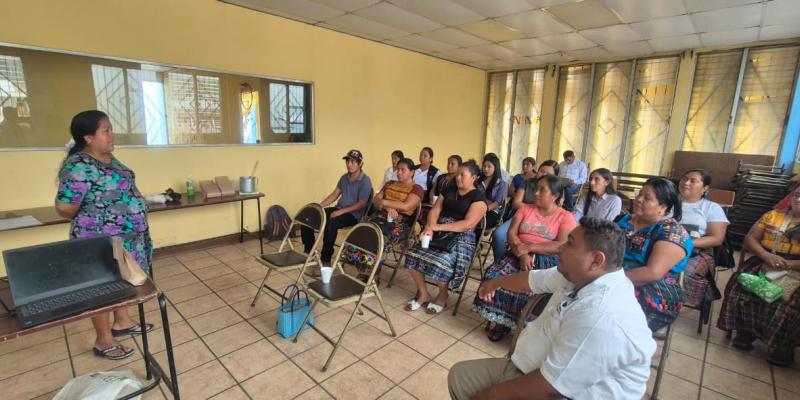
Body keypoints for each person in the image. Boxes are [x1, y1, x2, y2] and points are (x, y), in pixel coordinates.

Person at [449, 218, 656, 400]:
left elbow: (551, 387)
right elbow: (532, 279)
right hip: (530, 368)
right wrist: (496, 282)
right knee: (461, 377)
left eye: (570, 244)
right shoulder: (579, 275)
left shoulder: (602, 316)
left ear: (596, 260)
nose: (561, 248)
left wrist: (489, 396)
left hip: (562, 392)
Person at [55, 110, 154, 361]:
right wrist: (101, 218)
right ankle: (103, 340)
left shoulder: (109, 158)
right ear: (88, 137)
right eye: (106, 130)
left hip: (127, 238)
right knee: (102, 289)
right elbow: (65, 208)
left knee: (122, 282)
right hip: (99, 241)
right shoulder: (79, 165)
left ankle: (121, 322)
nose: (112, 134)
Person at [473, 175, 576, 341]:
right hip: (517, 253)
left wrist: (530, 248)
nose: (535, 193)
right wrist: (523, 253)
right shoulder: (525, 209)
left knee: (531, 288)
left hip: (545, 260)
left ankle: (524, 326)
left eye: (542, 190)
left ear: (555, 196)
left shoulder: (565, 217)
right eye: (536, 188)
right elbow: (511, 233)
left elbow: (561, 245)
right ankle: (503, 322)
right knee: (494, 276)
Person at [717, 185, 800, 366]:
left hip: (796, 267)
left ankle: (782, 346)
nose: (798, 199)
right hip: (766, 259)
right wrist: (765, 256)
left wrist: (788, 265)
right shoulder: (773, 216)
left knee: (789, 303)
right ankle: (746, 332)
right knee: (740, 286)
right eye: (797, 195)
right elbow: (750, 239)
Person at [404, 160, 487, 315]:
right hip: (439, 231)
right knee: (412, 254)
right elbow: (435, 210)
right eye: (458, 174)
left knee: (441, 262)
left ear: (474, 177)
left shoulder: (478, 198)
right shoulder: (449, 189)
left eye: (463, 175)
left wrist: (437, 227)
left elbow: (467, 224)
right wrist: (429, 227)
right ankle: (424, 293)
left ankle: (443, 295)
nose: (458, 177)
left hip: (461, 237)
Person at [616, 177, 692, 332]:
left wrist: (604, 280)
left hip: (651, 293)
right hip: (612, 278)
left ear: (662, 207)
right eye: (639, 195)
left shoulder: (672, 232)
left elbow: (652, 273)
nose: (639, 200)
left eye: (647, 198)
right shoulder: (624, 219)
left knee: (606, 319)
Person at [342, 158, 423, 281]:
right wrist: (388, 206)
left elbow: (407, 206)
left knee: (379, 239)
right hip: (381, 218)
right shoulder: (389, 183)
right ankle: (362, 268)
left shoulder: (416, 188)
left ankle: (373, 274)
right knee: (361, 232)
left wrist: (384, 202)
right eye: (398, 170)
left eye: (403, 170)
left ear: (412, 172)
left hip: (401, 224)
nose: (399, 172)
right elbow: (375, 200)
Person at [301, 149, 372, 266]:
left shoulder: (365, 180)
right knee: (310, 216)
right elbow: (335, 194)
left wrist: (340, 212)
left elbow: (362, 203)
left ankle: (326, 258)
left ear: (360, 164)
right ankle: (309, 251)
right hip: (339, 209)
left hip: (354, 215)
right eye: (348, 161)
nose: (349, 164)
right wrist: (319, 206)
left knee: (331, 223)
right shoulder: (344, 177)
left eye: (353, 162)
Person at [678, 169, 729, 309]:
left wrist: (684, 243)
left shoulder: (711, 208)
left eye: (693, 181)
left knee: (674, 272)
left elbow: (717, 238)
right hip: (663, 245)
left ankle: (668, 301)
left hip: (696, 251)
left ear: (705, 188)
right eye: (684, 179)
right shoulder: (668, 202)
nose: (686, 183)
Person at [491, 160, 560, 261]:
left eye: (547, 173)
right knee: (498, 235)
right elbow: (516, 203)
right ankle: (500, 261)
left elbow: (555, 208)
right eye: (541, 171)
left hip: (545, 220)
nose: (543, 174)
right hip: (522, 216)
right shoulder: (528, 182)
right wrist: (533, 209)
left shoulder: (557, 190)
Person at [479, 154, 508, 230]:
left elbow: (497, 203)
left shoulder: (502, 184)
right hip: (475, 209)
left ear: (496, 168)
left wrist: (484, 210)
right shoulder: (478, 181)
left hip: (491, 212)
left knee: (477, 222)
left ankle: (473, 241)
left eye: (489, 166)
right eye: (484, 166)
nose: (485, 169)